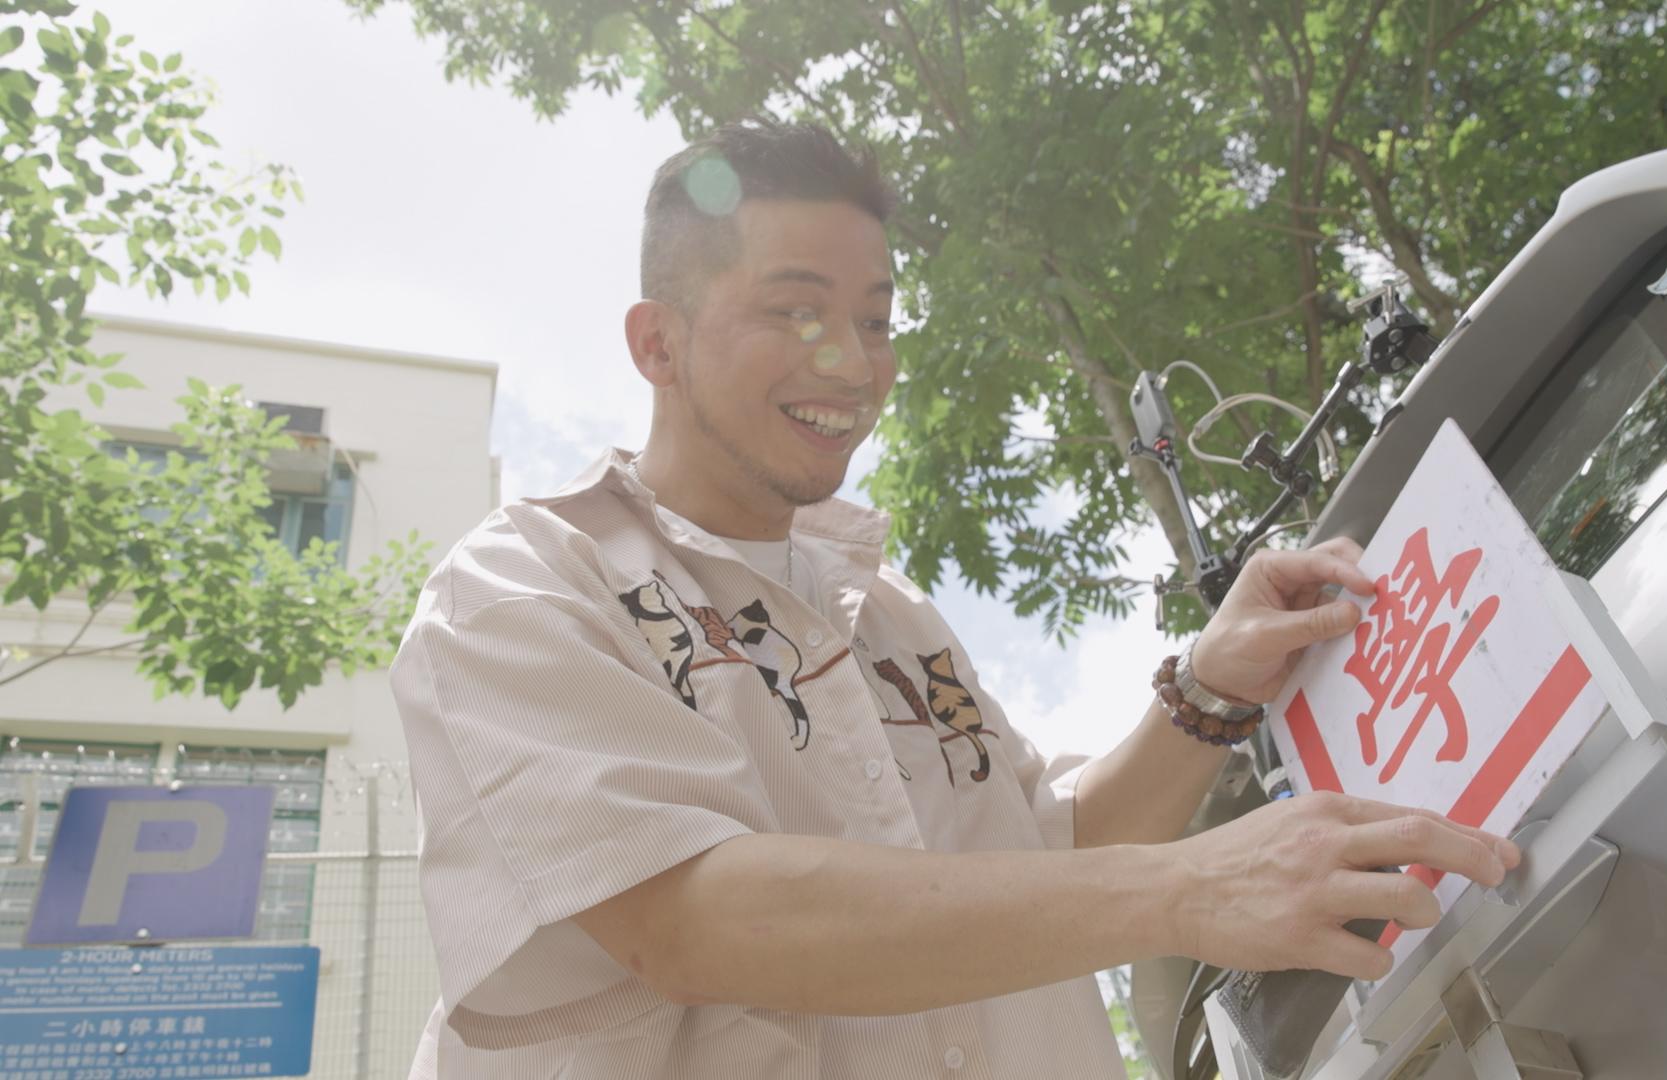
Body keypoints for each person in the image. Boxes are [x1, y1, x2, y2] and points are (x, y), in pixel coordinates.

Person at [392, 119, 1520, 1078]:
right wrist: (1187, 888)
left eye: (876, 320)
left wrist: (1212, 686)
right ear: (659, 342)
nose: (849, 362)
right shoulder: (526, 584)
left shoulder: (890, 615)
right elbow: (687, 917)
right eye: (794, 311)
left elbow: (1052, 856)